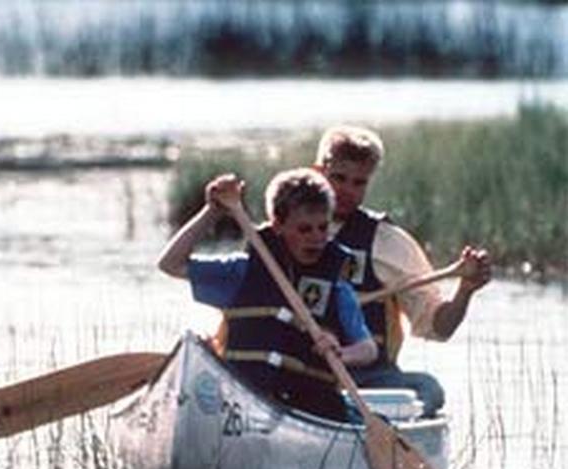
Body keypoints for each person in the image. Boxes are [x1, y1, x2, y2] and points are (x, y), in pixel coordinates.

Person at [158, 168, 378, 421]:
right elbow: (170, 264)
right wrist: (213, 211)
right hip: (243, 401)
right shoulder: (241, 272)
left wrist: (342, 354)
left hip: (312, 407)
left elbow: (368, 348)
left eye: (323, 227)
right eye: (305, 229)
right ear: (278, 226)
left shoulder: (336, 286)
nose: (317, 238)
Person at [314, 125, 492, 416]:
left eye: (359, 183)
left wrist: (465, 291)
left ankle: (375, 424)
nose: (347, 190)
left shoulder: (388, 242)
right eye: (338, 178)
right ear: (319, 171)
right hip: (302, 372)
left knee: (428, 390)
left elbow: (438, 327)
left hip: (369, 378)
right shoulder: (286, 229)